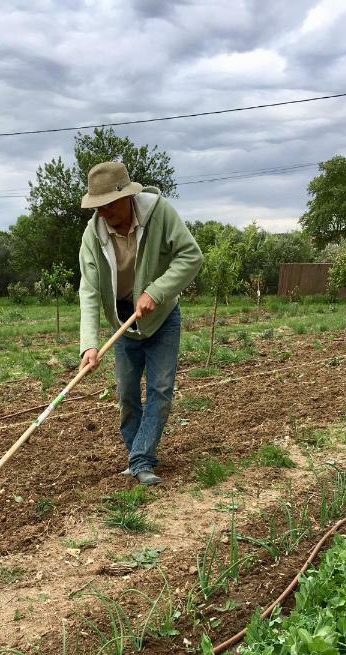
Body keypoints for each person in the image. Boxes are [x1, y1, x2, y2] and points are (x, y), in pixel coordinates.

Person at [78, 160, 203, 485]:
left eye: (109, 206)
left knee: (160, 390)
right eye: (99, 208)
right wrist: (89, 345)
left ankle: (141, 459)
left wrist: (157, 291)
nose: (105, 214)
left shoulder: (158, 212)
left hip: (161, 316)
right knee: (127, 396)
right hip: (122, 320)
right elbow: (89, 291)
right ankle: (136, 457)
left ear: (128, 197)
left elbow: (191, 255)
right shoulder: (93, 236)